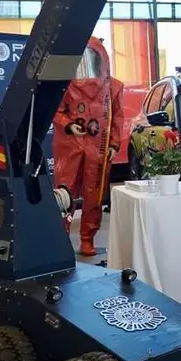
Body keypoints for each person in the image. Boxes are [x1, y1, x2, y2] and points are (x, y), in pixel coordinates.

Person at [52, 37, 124, 258]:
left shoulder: (113, 86)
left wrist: (113, 144)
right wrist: (69, 124)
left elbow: (117, 118)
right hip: (70, 146)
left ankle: (87, 238)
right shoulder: (62, 84)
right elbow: (55, 111)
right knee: (65, 191)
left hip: (98, 145)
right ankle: (60, 236)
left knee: (95, 193)